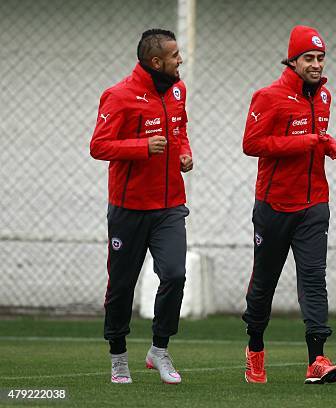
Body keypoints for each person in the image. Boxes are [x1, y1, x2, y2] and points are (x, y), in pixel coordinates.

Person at [241, 25, 336, 384]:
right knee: (264, 284)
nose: (316, 64)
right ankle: (255, 347)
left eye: (320, 58)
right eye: (309, 58)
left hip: (314, 204)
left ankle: (317, 359)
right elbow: (252, 143)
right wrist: (305, 143)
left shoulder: (325, 96)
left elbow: (314, 138)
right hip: (273, 205)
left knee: (314, 278)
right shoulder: (268, 96)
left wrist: (327, 144)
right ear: (293, 60)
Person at [90, 28, 193, 385]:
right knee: (121, 286)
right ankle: (118, 356)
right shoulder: (118, 96)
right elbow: (99, 146)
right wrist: (141, 147)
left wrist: (183, 152)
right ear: (156, 62)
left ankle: (159, 351)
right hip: (128, 210)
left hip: (169, 208)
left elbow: (179, 130)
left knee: (175, 275)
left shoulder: (178, 90)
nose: (180, 60)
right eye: (175, 55)